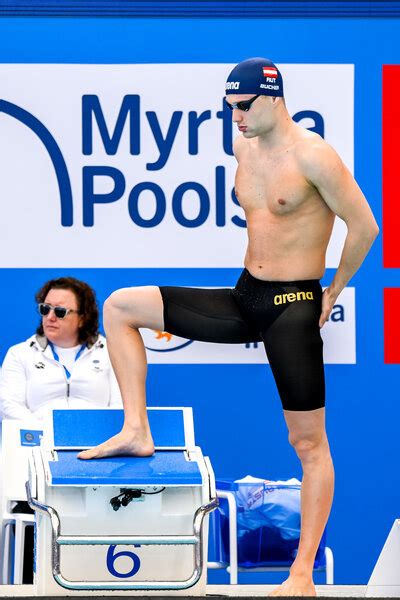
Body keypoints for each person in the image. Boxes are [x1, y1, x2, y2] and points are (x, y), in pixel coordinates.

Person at [78, 58, 379, 596]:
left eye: (242, 107)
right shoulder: (244, 145)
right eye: (228, 108)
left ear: (273, 98)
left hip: (292, 307)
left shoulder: (315, 156)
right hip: (246, 296)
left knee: (308, 444)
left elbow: (365, 225)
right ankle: (136, 430)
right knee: (122, 306)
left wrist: (332, 289)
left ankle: (302, 574)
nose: (234, 118)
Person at [0, 276, 122, 421]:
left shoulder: (110, 352)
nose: (50, 317)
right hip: (39, 439)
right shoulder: (19, 353)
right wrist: (45, 432)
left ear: (82, 318)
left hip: (98, 440)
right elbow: (8, 405)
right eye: (45, 309)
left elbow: (121, 405)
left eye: (60, 311)